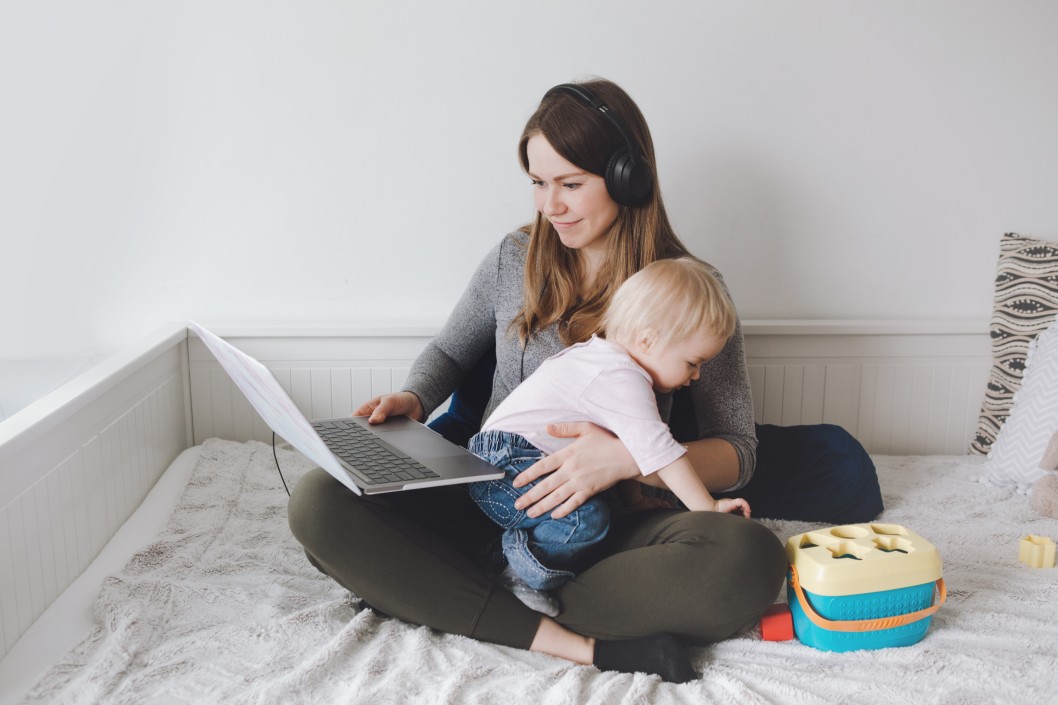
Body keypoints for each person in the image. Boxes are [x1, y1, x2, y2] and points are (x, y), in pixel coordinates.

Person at [288, 78, 792, 684]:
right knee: (320, 501)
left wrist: (623, 461)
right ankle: (568, 633)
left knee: (750, 559)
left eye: (571, 184)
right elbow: (452, 350)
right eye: (537, 182)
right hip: (489, 492)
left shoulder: (693, 295)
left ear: (629, 177)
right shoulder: (513, 258)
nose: (549, 205)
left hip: (611, 526)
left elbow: (739, 451)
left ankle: (445, 591)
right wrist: (415, 397)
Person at [468, 258, 752, 618]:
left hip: (502, 458)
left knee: (601, 516)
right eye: (693, 362)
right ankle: (517, 574)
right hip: (504, 464)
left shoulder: (606, 363)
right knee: (585, 521)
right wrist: (707, 507)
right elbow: (660, 452)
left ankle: (503, 559)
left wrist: (634, 499)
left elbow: (620, 447)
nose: (696, 376)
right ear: (648, 340)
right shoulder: (620, 377)